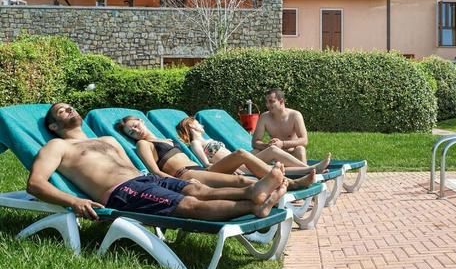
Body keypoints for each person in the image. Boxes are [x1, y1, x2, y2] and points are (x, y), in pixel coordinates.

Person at [27, 103, 287, 221]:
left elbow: (131, 164)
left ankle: (253, 194)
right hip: (122, 192)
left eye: (70, 106)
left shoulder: (107, 139)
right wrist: (74, 201)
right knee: (190, 204)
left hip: (146, 179)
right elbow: (35, 184)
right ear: (53, 125)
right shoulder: (57, 146)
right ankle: (254, 204)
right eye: (62, 111)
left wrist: (161, 176)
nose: (69, 109)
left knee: (198, 188)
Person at [116, 116, 322, 191]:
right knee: (242, 175)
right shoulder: (143, 145)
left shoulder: (166, 139)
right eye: (130, 132)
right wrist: (180, 185)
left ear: (141, 121)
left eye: (135, 126)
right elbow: (154, 173)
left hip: (200, 169)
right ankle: (291, 182)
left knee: (241, 155)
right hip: (186, 175)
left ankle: (286, 180)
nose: (135, 131)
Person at [175, 116, 330, 177]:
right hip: (239, 166)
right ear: (192, 127)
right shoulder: (196, 143)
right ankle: (311, 169)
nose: (201, 124)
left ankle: (312, 170)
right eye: (197, 123)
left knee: (274, 162)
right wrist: (230, 169)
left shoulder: (205, 139)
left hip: (242, 161)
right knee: (274, 151)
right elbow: (207, 165)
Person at [252, 89, 309, 163]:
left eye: (271, 101)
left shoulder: (295, 115)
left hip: (291, 153)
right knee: (254, 152)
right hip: (273, 154)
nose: (268, 105)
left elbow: (304, 140)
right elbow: (255, 142)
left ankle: (306, 171)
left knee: (300, 149)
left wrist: (282, 144)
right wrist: (268, 146)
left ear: (281, 101)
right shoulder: (264, 117)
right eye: (266, 102)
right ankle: (243, 172)